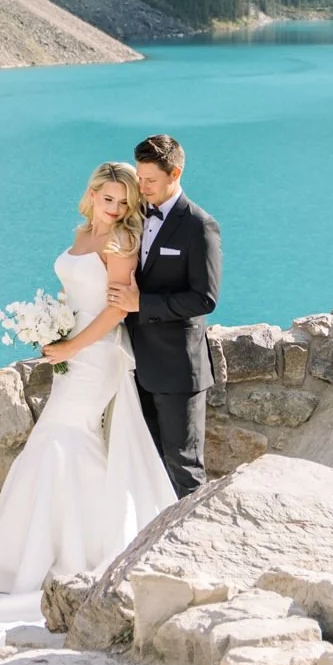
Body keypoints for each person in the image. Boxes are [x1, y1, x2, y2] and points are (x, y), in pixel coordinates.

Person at [0, 161, 177, 593]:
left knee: (66, 436)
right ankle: (49, 552)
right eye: (108, 199)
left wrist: (71, 345)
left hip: (97, 353)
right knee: (56, 438)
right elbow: (76, 293)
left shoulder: (121, 242)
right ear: (93, 195)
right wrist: (52, 326)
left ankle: (93, 551)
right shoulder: (83, 235)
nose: (116, 208)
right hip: (73, 345)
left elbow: (118, 309)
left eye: (125, 202)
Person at [107, 133, 221, 497]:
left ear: (175, 173)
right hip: (134, 365)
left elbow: (204, 300)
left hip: (177, 370)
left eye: (150, 180)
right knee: (147, 463)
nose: (142, 187)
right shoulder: (136, 215)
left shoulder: (199, 226)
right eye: (139, 178)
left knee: (183, 466)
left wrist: (145, 304)